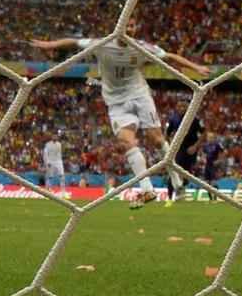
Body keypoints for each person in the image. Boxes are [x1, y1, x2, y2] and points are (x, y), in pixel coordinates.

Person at [30, 20, 210, 209]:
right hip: (116, 102)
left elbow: (170, 56)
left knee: (156, 139)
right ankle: (147, 190)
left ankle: (177, 180)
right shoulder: (102, 44)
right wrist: (50, 45)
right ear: (118, 27)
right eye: (127, 25)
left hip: (139, 94)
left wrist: (196, 68)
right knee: (127, 142)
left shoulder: (141, 47)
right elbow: (74, 42)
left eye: (133, 26)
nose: (130, 29)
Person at [164, 110, 204, 207]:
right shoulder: (173, 119)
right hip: (178, 149)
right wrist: (171, 145)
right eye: (179, 106)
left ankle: (180, 192)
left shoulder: (194, 119)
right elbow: (167, 134)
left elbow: (203, 133)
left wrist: (195, 146)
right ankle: (169, 198)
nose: (181, 108)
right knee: (174, 171)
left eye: (183, 106)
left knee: (187, 173)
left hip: (190, 150)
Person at [201, 131, 223, 202]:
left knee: (213, 182)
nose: (209, 139)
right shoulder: (205, 145)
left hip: (213, 165)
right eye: (208, 137)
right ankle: (210, 199)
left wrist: (218, 160)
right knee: (207, 183)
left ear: (213, 138)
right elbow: (203, 154)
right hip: (207, 165)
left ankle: (215, 198)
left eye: (211, 137)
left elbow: (222, 153)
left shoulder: (217, 145)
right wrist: (203, 158)